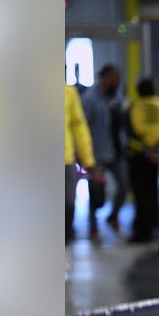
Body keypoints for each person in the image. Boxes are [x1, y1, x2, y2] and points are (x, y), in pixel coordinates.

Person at [123, 77, 159, 243]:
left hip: (138, 159)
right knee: (157, 194)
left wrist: (145, 150)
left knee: (140, 195)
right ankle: (157, 227)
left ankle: (141, 231)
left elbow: (130, 131)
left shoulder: (133, 108)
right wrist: (157, 150)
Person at [81, 64, 126, 231]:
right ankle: (93, 226)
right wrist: (84, 153)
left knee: (123, 185)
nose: (118, 81)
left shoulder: (115, 96)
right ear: (106, 77)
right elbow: (82, 125)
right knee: (96, 190)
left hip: (116, 151)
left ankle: (113, 216)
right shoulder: (89, 98)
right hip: (97, 153)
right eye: (116, 77)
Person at [64, 83, 96, 243]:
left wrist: (87, 157)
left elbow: (79, 125)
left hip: (66, 158)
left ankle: (64, 241)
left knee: (69, 204)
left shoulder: (69, 93)